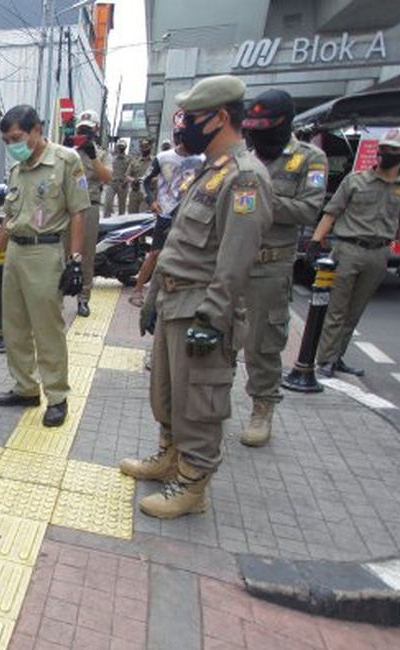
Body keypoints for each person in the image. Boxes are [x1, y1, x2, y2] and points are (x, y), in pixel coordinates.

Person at [119, 75, 273, 519]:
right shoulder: (209, 170)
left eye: (190, 117)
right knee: (167, 393)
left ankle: (192, 484)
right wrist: (151, 297)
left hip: (202, 308)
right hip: (174, 302)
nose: (182, 125)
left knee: (199, 401)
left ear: (221, 117)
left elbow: (235, 260)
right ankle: (169, 455)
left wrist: (212, 318)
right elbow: (179, 241)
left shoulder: (244, 178)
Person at [0, 104, 90, 427]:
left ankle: (57, 397)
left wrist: (75, 261)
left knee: (47, 329)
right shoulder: (17, 171)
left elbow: (79, 212)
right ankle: (26, 387)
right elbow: (9, 217)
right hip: (15, 253)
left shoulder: (66, 161)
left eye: (17, 137)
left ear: (37, 130)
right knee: (13, 326)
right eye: (7, 140)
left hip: (45, 254)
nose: (12, 145)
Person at [239, 90, 328, 446]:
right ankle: (211, 406)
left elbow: (308, 210)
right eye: (252, 127)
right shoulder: (242, 157)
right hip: (232, 261)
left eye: (265, 126)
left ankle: (262, 407)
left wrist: (263, 199)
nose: (257, 134)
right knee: (218, 336)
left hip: (270, 266)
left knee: (263, 342)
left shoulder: (309, 158)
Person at [310, 128, 400, 378]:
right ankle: (325, 359)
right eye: (385, 148)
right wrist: (316, 241)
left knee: (355, 311)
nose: (387, 153)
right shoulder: (355, 180)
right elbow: (332, 212)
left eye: (394, 149)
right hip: (348, 249)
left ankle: (337, 357)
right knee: (336, 309)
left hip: (378, 253)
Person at [133, 124, 205, 307]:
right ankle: (138, 290)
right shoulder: (163, 157)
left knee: (187, 254)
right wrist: (151, 201)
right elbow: (145, 181)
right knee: (155, 253)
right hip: (166, 213)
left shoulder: (202, 159)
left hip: (190, 215)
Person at [71, 110, 113, 318]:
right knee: (59, 253)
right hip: (66, 208)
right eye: (82, 128)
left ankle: (83, 298)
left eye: (89, 128)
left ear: (96, 130)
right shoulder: (68, 151)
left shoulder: (102, 153)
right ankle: (57, 294)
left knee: (86, 255)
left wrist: (93, 156)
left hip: (89, 206)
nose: (85, 131)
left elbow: (107, 177)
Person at [127, 140, 152, 214]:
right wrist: (134, 180)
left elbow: (158, 177)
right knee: (131, 217)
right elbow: (127, 175)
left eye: (146, 147)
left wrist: (147, 180)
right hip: (135, 192)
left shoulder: (154, 162)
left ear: (150, 147)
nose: (144, 149)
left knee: (142, 217)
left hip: (147, 193)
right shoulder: (135, 161)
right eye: (142, 147)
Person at [106, 139, 130, 216]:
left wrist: (125, 182)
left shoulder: (128, 159)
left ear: (125, 148)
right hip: (112, 183)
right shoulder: (112, 158)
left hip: (123, 184)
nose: (120, 148)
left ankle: (121, 223)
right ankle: (106, 220)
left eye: (122, 147)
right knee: (108, 203)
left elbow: (129, 172)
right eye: (119, 147)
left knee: (122, 206)